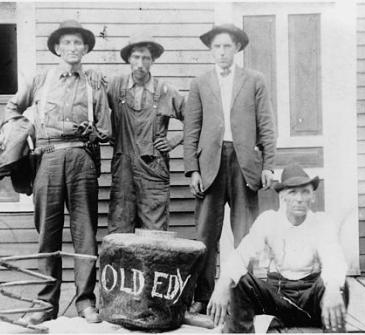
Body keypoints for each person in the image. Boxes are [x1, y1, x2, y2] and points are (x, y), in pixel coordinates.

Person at [4, 20, 111, 324]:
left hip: (82, 161)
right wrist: (22, 136)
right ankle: (44, 305)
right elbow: (12, 109)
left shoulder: (94, 84)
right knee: (47, 234)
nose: (73, 48)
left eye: (78, 43)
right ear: (57, 48)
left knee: (85, 234)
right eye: (67, 43)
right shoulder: (40, 80)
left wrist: (94, 132)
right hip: (47, 160)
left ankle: (86, 302)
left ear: (86, 48)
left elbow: (106, 129)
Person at [183, 23, 276, 313]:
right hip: (210, 163)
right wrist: (192, 170)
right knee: (205, 234)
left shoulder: (254, 80)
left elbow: (266, 125)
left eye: (227, 46)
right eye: (216, 47)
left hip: (244, 163)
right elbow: (191, 130)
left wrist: (268, 165)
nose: (222, 52)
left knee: (244, 232)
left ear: (237, 48)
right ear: (210, 50)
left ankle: (242, 293)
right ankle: (203, 295)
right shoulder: (200, 83)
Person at [207, 164, 349, 333]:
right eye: (293, 192)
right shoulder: (269, 221)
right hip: (278, 297)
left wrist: (333, 289)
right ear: (282, 197)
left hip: (311, 300)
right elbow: (241, 254)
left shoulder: (321, 222)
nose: (299, 199)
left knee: (339, 285)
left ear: (313, 197)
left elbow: (334, 257)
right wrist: (222, 284)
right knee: (239, 281)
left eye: (305, 192)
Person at [106, 32, 185, 233]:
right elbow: (94, 108)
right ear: (128, 60)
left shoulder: (166, 91)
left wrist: (176, 139)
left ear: (153, 60)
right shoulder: (115, 87)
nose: (140, 63)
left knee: (154, 233)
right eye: (136, 57)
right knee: (120, 230)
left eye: (146, 58)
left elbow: (197, 118)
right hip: (123, 167)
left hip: (153, 168)